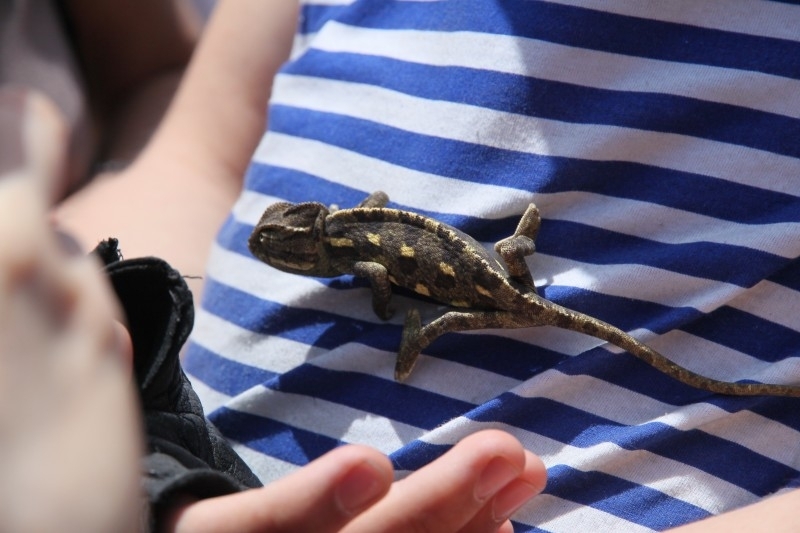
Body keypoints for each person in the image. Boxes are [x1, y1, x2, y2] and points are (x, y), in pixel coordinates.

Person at [42, 0, 800, 531]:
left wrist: (397, 318)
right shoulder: (345, 227)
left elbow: (382, 275)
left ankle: (444, 317)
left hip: (519, 424)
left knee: (440, 320)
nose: (275, 255)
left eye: (285, 253)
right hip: (154, 476)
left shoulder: (350, 249)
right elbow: (193, 156)